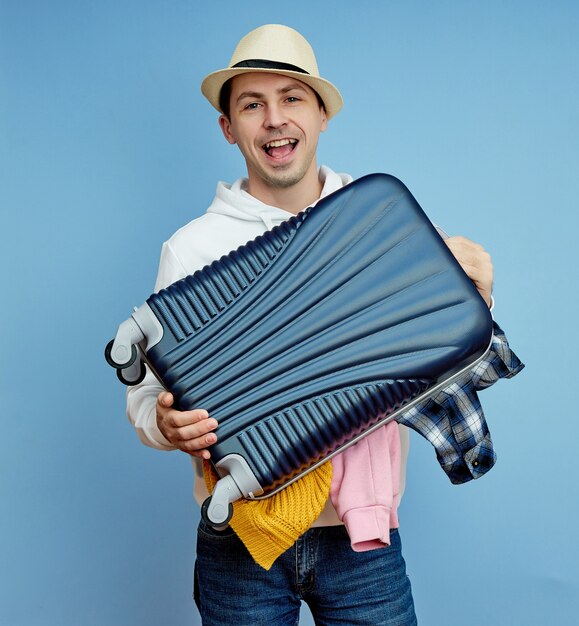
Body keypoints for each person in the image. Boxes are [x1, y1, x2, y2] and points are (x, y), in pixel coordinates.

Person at [126, 24, 523, 625]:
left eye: (291, 98)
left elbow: (443, 361)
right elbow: (148, 400)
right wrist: (162, 422)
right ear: (228, 128)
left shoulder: (382, 223)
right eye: (252, 105)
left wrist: (479, 304)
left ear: (321, 115)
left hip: (362, 541)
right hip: (241, 542)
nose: (274, 119)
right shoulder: (192, 250)